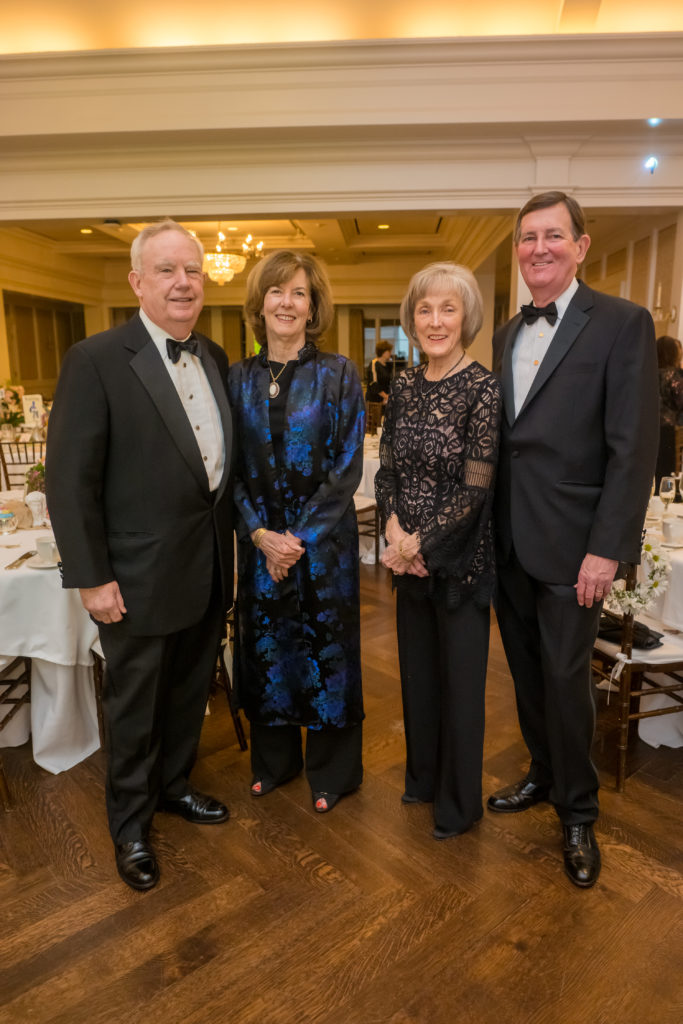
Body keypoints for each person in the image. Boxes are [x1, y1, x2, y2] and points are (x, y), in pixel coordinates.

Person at [46, 220, 234, 892]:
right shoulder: (96, 359)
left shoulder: (215, 356)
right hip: (133, 578)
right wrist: (91, 577)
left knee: (188, 695)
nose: (183, 283)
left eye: (192, 270)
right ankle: (129, 825)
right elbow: (69, 481)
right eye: (166, 270)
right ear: (137, 282)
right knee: (133, 708)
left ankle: (174, 786)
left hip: (206, 568)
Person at [490, 191, 658, 888]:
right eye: (528, 237)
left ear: (580, 246)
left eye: (552, 235)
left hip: (574, 545)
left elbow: (633, 448)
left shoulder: (621, 323)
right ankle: (541, 771)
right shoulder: (505, 333)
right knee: (527, 672)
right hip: (507, 539)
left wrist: (606, 548)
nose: (538, 248)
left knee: (566, 680)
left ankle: (578, 811)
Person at [228, 250, 365, 814]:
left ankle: (334, 772)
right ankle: (275, 763)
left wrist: (297, 539)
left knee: (328, 651)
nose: (286, 302)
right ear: (260, 304)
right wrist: (261, 535)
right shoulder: (236, 378)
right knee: (268, 650)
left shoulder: (339, 373)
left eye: (299, 293)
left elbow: (348, 465)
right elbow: (227, 469)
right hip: (260, 545)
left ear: (313, 307)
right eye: (276, 291)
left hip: (325, 548)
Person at [375, 262, 502, 840]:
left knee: (461, 688)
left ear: (466, 317)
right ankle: (423, 780)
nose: (435, 320)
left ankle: (458, 804)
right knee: (419, 679)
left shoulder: (483, 388)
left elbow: (476, 488)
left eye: (448, 309)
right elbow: (387, 471)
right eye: (425, 309)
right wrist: (394, 530)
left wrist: (417, 544)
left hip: (461, 563)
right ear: (413, 319)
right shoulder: (403, 386)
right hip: (410, 560)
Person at [655, 334, 683, 490]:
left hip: (645, 429)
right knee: (666, 475)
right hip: (668, 430)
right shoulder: (674, 375)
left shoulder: (647, 373)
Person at [365, 340, 393, 404]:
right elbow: (373, 384)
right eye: (389, 351)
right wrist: (386, 396)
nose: (390, 353)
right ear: (383, 352)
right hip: (374, 402)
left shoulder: (388, 365)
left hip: (385, 401)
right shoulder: (374, 364)